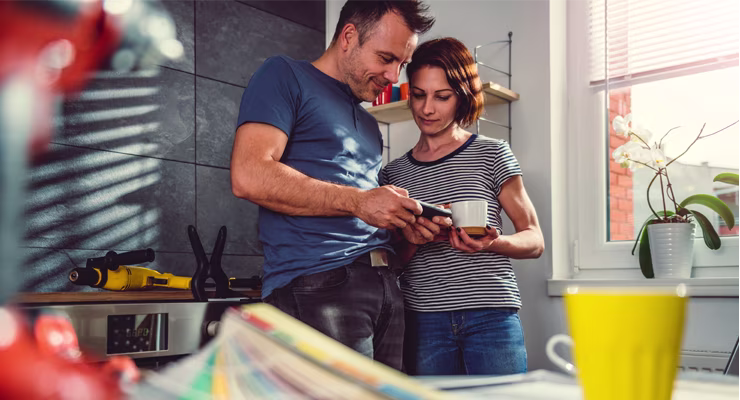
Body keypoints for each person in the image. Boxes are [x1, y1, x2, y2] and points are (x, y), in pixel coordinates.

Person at [230, 0, 447, 370]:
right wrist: (360, 202)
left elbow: (356, 211)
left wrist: (405, 233)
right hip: (318, 284)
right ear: (348, 36)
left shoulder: (368, 125)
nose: (394, 76)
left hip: (386, 287)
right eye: (385, 58)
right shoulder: (284, 75)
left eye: (401, 64)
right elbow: (249, 174)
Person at [381, 37, 545, 375]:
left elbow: (534, 240)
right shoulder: (393, 173)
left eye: (442, 97)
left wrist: (492, 242)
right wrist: (412, 240)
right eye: (419, 95)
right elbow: (390, 261)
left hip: (491, 316)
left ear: (462, 96)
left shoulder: (493, 154)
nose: (427, 109)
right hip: (423, 320)